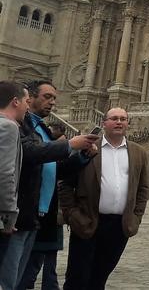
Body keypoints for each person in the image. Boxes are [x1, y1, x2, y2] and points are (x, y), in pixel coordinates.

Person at [2, 80, 97, 290]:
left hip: (36, 216)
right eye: (47, 97)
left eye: (54, 98)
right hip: (19, 213)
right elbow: (30, 154)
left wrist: (82, 156)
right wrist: (70, 144)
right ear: (28, 99)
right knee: (9, 278)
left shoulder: (40, 128)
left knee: (21, 277)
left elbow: (52, 169)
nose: (53, 103)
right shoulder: (18, 126)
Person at [59, 107, 148, 290]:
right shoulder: (88, 147)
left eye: (123, 119)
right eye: (114, 118)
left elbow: (142, 188)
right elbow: (66, 183)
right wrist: (72, 214)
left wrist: (136, 217)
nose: (119, 122)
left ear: (128, 123)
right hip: (88, 220)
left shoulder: (138, 152)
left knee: (100, 276)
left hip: (119, 225)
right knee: (78, 277)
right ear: (104, 123)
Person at [0, 81, 29, 257]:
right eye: (27, 101)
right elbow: (4, 174)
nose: (28, 106)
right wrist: (10, 217)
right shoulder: (8, 127)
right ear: (15, 101)